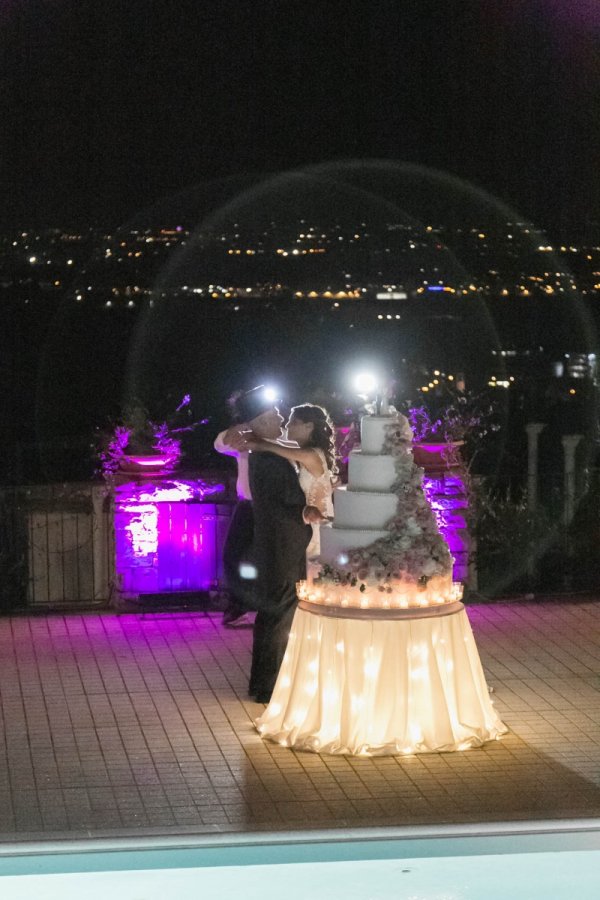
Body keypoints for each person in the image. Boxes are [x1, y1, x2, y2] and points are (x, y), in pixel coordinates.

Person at [224, 388, 312, 703]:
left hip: (279, 541)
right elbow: (278, 504)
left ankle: (266, 683)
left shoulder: (268, 451)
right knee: (279, 611)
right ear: (258, 421)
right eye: (273, 412)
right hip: (280, 541)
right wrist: (307, 508)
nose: (279, 416)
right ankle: (268, 686)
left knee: (275, 611)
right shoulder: (265, 458)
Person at [242, 404, 337, 558]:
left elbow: (276, 448)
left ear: (308, 426)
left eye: (293, 423)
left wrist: (259, 444)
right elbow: (280, 446)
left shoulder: (311, 454)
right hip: (307, 520)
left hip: (316, 521)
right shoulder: (304, 452)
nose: (287, 425)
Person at [214, 391, 256, 627]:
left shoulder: (278, 434)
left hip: (269, 505)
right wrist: (242, 428)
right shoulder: (243, 435)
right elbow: (219, 444)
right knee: (233, 555)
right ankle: (238, 606)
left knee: (267, 557)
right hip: (247, 504)